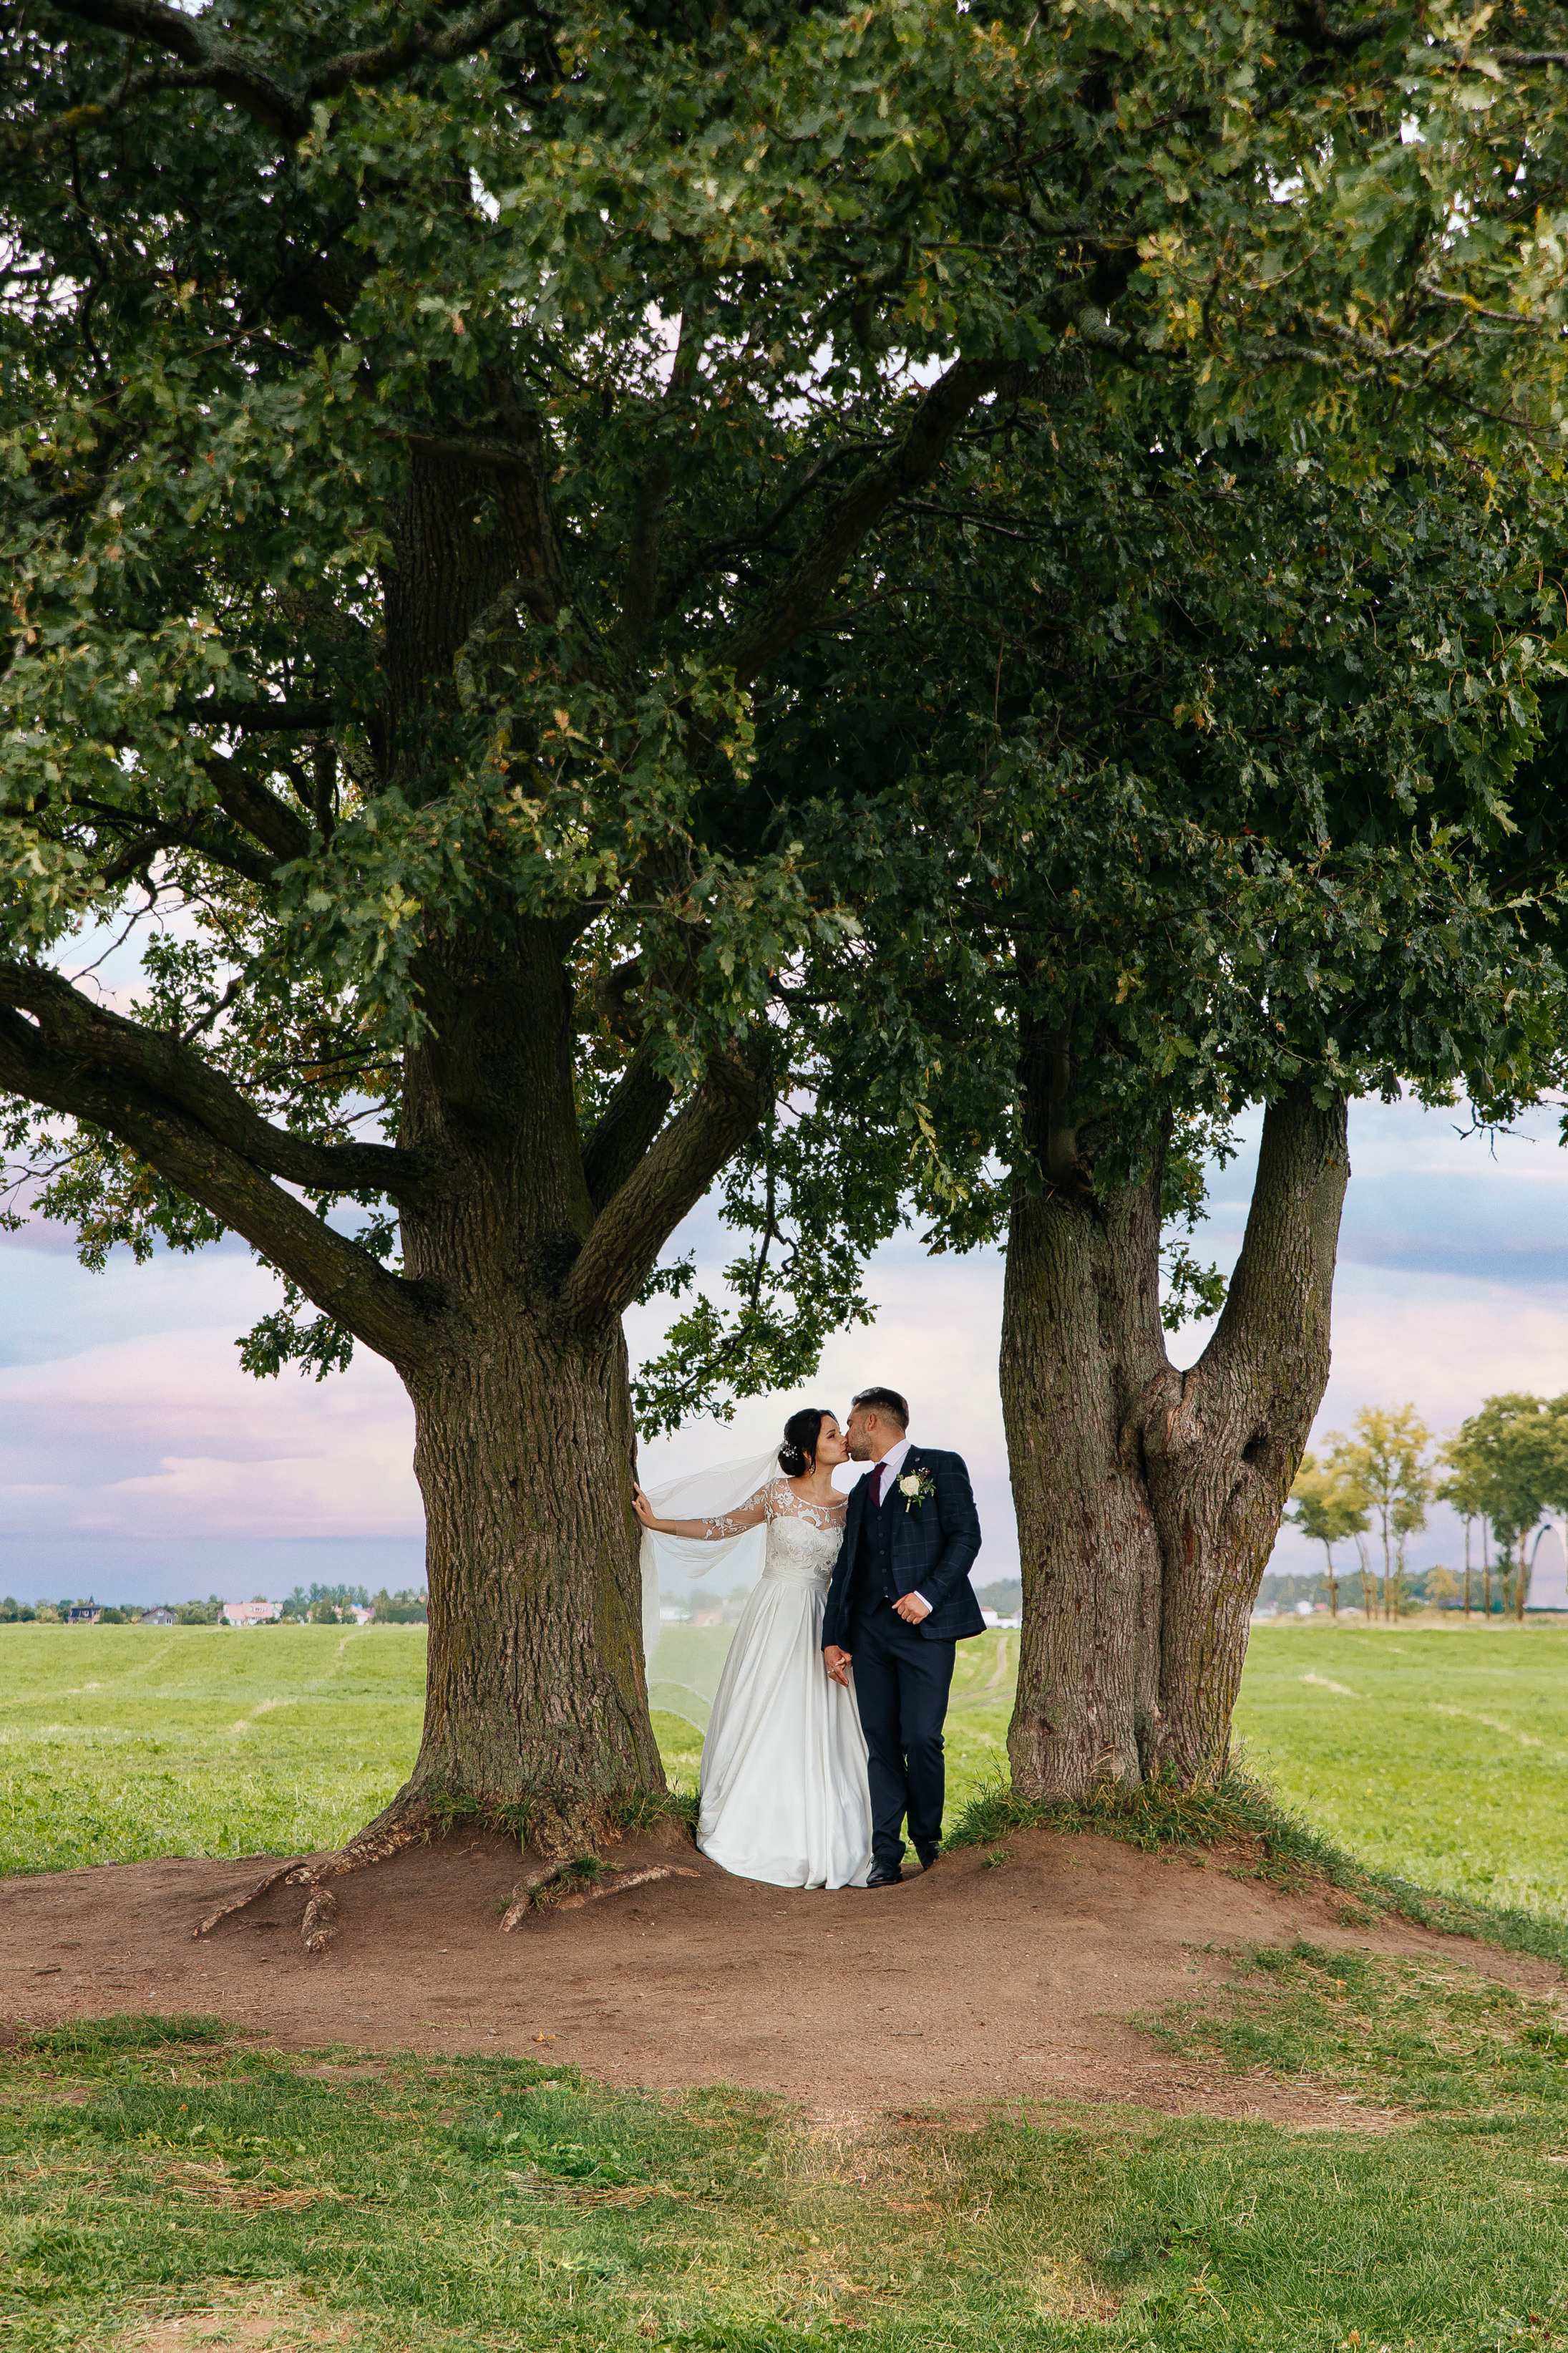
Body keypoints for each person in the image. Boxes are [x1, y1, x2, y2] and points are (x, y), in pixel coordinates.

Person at [633, 1408, 872, 1889]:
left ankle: (824, 1830)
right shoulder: (777, 1494)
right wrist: (660, 1523)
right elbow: (720, 1525)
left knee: (818, 1718)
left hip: (821, 1619)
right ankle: (753, 1822)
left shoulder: (851, 1505)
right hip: (774, 1615)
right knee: (766, 1707)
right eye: (832, 1434)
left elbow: (854, 1577)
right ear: (807, 1450)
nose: (843, 1439)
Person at [821, 1386, 984, 1886]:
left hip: (925, 1629)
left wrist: (927, 1596)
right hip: (869, 1633)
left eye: (849, 1424)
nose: (846, 1435)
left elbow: (965, 1536)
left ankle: (929, 1840)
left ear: (871, 1421)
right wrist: (833, 1636)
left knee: (921, 1736)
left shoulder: (940, 1465)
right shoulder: (859, 1492)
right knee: (882, 1743)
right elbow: (847, 1569)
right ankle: (885, 1855)